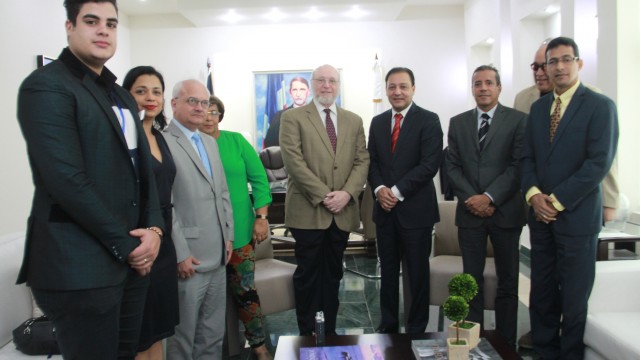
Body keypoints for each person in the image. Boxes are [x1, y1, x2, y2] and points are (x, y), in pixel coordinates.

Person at [15, 0, 164, 358]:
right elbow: (66, 180)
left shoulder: (121, 96)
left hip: (131, 264)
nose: (103, 30)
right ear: (70, 27)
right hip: (79, 268)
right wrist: (129, 248)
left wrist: (155, 230)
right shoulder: (46, 87)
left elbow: (145, 173)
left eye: (111, 24)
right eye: (92, 21)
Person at [513, 38, 621, 350]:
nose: (559, 66)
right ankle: (545, 351)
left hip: (577, 218)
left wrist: (556, 201)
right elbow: (527, 158)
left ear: (579, 64)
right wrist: (534, 195)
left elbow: (598, 163)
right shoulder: (538, 108)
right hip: (541, 219)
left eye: (566, 60)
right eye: (552, 61)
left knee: (574, 299)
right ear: (545, 67)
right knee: (542, 293)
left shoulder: (600, 106)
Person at [279, 64, 369, 336]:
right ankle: (308, 335)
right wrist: (324, 195)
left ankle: (328, 331)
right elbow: (293, 161)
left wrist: (346, 194)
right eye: (321, 80)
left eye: (332, 81)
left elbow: (361, 159)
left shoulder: (353, 120)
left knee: (333, 276)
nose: (327, 85)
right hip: (308, 212)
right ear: (313, 83)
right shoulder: (293, 117)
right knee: (308, 277)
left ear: (338, 85)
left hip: (342, 213)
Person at [446, 65, 527, 347]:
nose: (483, 88)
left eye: (489, 83)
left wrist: (490, 197)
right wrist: (474, 199)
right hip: (470, 215)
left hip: (506, 212)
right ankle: (474, 341)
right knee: (471, 282)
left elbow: (518, 166)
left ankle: (506, 343)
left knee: (508, 282)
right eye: (477, 83)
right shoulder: (458, 122)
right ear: (472, 88)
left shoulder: (518, 120)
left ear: (499, 87)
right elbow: (452, 167)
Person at [367, 67, 442, 334]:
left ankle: (416, 328)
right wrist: (379, 190)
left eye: (403, 86)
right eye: (392, 87)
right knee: (387, 274)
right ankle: (387, 326)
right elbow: (371, 162)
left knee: (417, 275)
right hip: (385, 213)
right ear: (386, 89)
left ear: (413, 88)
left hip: (416, 213)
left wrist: (395, 192)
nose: (397, 92)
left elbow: (429, 164)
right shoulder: (377, 122)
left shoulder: (429, 120)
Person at [163, 79, 233, 359]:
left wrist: (228, 235)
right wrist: (179, 252)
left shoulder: (209, 141)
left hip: (218, 253)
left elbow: (223, 192)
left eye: (204, 103)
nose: (200, 108)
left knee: (212, 335)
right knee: (183, 338)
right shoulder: (162, 142)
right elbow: (163, 204)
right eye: (192, 101)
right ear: (174, 104)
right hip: (188, 258)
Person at [199, 95, 273, 360]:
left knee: (245, 291)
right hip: (203, 237)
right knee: (207, 297)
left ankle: (259, 345)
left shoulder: (236, 141)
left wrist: (261, 217)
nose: (208, 116)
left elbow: (260, 181)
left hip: (240, 232)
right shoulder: (187, 144)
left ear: (220, 115)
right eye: (203, 111)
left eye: (214, 112)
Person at [122, 66, 179, 360]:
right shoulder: (125, 139)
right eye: (141, 91)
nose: (150, 98)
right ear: (126, 95)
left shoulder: (161, 136)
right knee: (140, 334)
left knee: (159, 329)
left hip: (165, 239)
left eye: (156, 91)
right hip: (140, 240)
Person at [263, 76, 311, 147]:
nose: (298, 94)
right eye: (295, 90)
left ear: (308, 92)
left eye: (302, 89)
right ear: (290, 92)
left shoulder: (317, 115)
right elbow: (270, 145)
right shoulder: (280, 116)